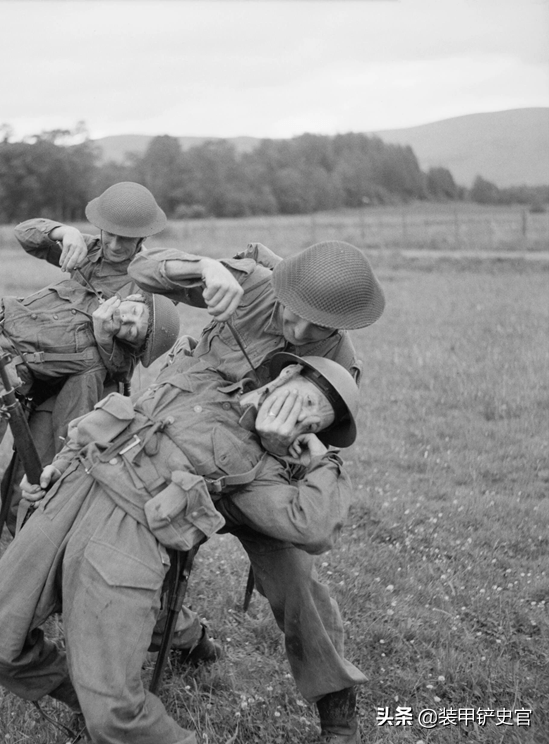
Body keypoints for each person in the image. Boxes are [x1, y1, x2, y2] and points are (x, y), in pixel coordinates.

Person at [0, 353, 359, 744]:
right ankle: (83, 694)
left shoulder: (260, 468)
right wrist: (57, 466)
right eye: (305, 401)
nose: (299, 418)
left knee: (114, 714)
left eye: (312, 421)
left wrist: (323, 461)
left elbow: (312, 526)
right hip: (71, 494)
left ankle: (108, 705)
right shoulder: (206, 374)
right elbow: (108, 418)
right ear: (285, 374)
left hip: (127, 530)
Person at [127, 239, 386, 743]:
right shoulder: (250, 285)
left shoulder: (340, 361)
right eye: (298, 313)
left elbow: (316, 442)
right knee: (133, 551)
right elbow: (142, 268)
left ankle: (336, 705)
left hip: (255, 475)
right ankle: (172, 642)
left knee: (296, 584)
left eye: (322, 324)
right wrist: (203, 267)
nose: (303, 330)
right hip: (176, 446)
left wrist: (279, 439)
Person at [0, 277, 180, 605]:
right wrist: (62, 233)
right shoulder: (85, 291)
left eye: (133, 329)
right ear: (132, 297)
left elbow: (74, 423)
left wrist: (56, 468)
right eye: (134, 310)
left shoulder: (93, 364)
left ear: (128, 344)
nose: (127, 319)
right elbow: (36, 237)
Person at [0, 181, 168, 532]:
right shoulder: (88, 250)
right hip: (47, 376)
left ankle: (53, 543)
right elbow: (24, 233)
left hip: (92, 391)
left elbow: (124, 366)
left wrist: (104, 336)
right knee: (26, 466)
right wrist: (64, 232)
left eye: (126, 239)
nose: (115, 245)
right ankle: (14, 549)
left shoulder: (147, 283)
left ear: (143, 239)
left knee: (67, 467)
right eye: (109, 234)